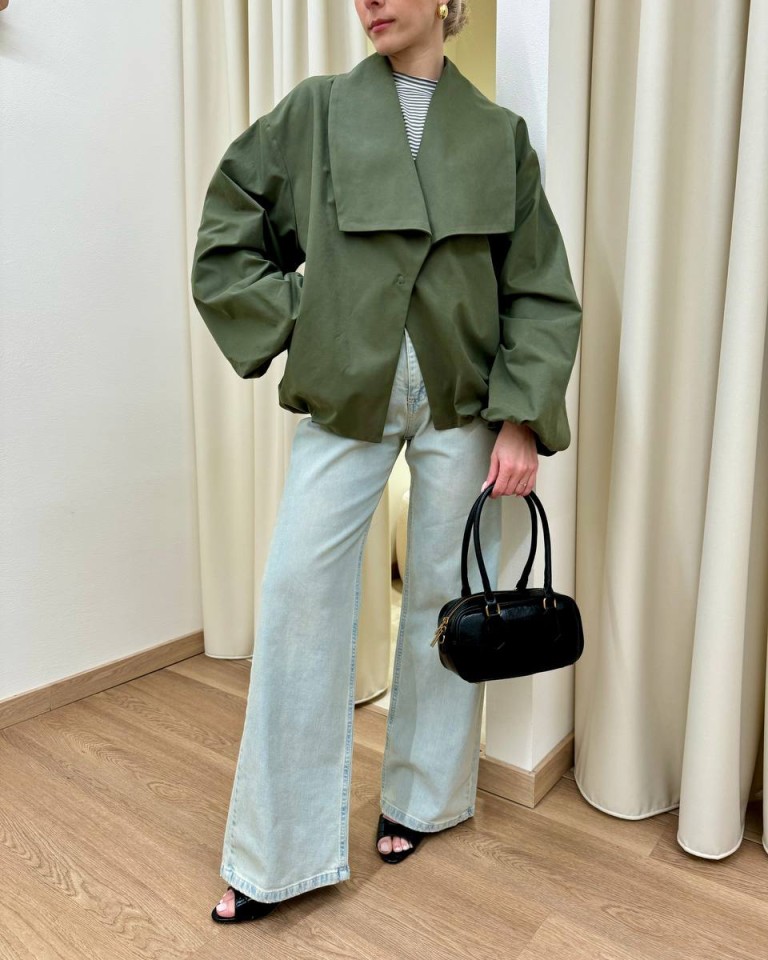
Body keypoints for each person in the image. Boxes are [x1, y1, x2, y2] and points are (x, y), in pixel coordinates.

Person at [190, 0, 582, 924]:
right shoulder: (316, 110)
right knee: (299, 599)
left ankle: (424, 798)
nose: (368, 0)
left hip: (463, 404)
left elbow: (537, 290)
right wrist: (306, 321)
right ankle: (277, 851)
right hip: (348, 395)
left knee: (444, 595)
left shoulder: (498, 136)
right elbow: (228, 236)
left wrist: (520, 421)